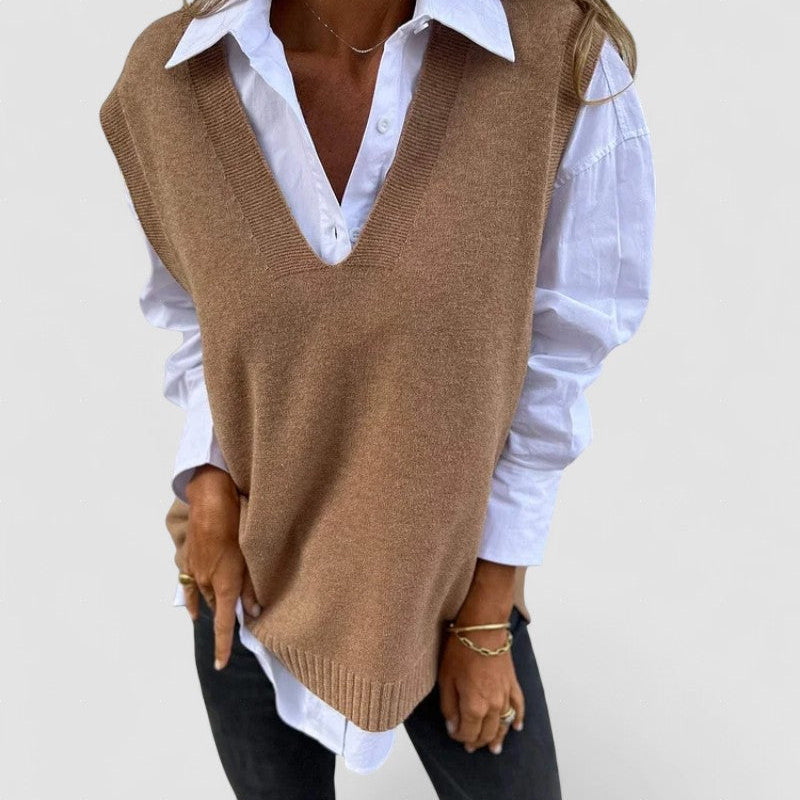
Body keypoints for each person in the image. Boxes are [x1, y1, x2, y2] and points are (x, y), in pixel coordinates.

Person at [99, 0, 654, 796]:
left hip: (451, 594)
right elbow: (196, 316)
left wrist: (489, 611)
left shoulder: (555, 61)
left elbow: (561, 359)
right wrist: (208, 478)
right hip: (248, 582)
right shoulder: (173, 82)